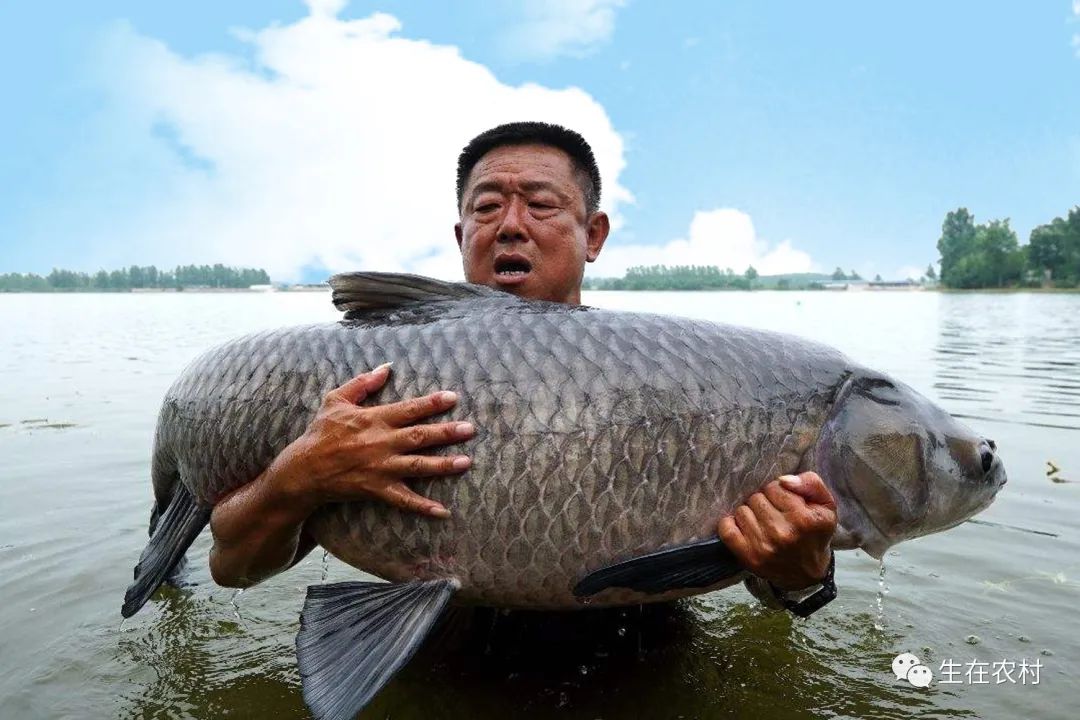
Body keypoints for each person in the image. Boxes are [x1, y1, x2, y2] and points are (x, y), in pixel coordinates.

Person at [209, 122, 837, 612]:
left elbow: (786, 590)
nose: (510, 225)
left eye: (539, 204)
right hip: (437, 647)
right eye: (486, 209)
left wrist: (803, 578)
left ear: (593, 234)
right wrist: (299, 478)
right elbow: (233, 568)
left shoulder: (686, 378)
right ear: (461, 236)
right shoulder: (368, 383)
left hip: (642, 655)